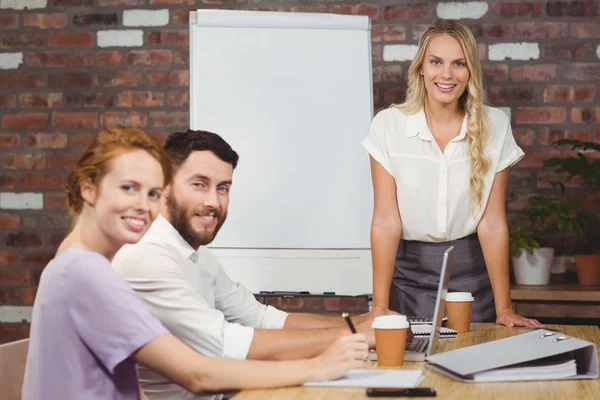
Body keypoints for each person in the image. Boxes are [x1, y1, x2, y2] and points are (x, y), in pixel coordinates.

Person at [22, 128, 368, 400]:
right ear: (89, 190)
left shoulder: (73, 266)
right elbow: (198, 374)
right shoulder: (87, 273)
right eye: (129, 188)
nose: (144, 206)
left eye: (153, 193)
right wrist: (318, 367)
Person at [112, 129, 395, 399]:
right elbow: (226, 345)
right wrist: (357, 336)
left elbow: (261, 319)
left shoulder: (198, 256)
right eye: (199, 184)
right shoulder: (147, 256)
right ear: (164, 187)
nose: (213, 201)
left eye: (223, 188)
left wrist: (361, 322)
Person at [362, 20, 543, 328]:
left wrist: (505, 308)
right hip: (412, 272)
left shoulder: (494, 125)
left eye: (458, 63)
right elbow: (386, 221)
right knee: (418, 361)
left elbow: (493, 223)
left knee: (477, 357)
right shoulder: (388, 125)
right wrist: (379, 306)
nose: (446, 75)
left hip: (475, 268)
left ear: (470, 70)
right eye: (436, 62)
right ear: (421, 67)